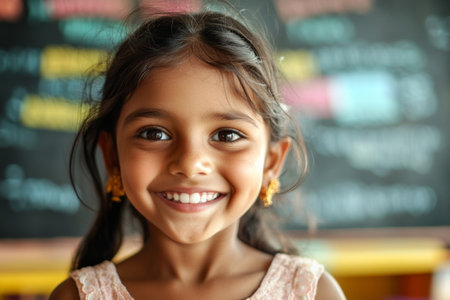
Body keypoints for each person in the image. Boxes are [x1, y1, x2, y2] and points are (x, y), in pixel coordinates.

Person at [50, 9, 345, 300]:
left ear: (272, 162)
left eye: (227, 135)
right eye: (155, 134)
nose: (190, 165)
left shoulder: (313, 292)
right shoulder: (76, 296)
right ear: (112, 156)